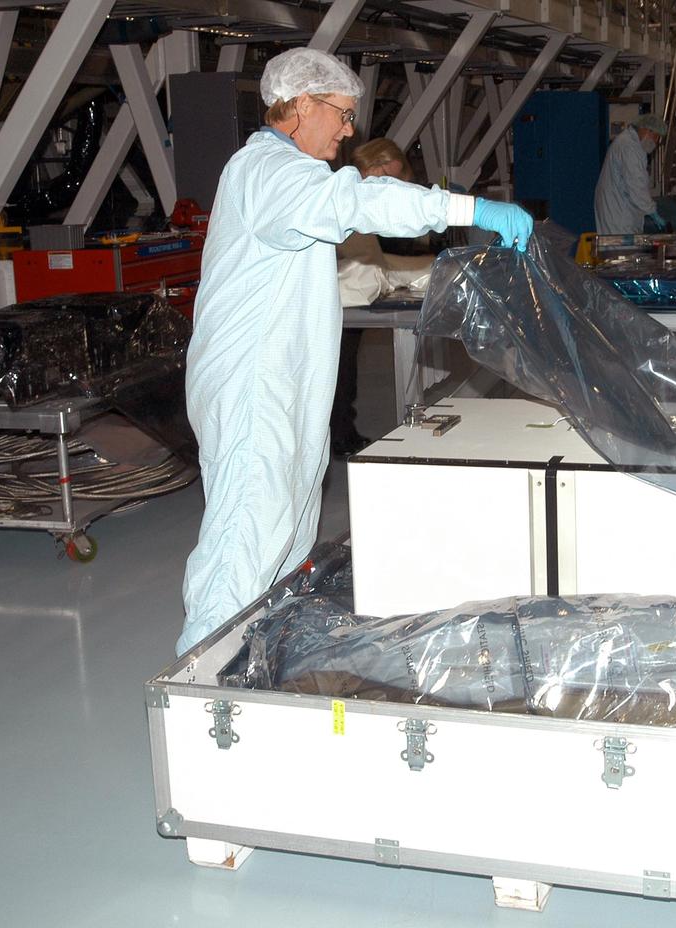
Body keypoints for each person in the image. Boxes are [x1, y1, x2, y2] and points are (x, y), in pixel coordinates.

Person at [178, 48, 533, 654]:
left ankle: (256, 655)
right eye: (341, 114)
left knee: (286, 535)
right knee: (245, 538)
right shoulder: (268, 172)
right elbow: (359, 201)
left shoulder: (292, 175)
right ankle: (201, 676)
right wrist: (467, 208)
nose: (348, 130)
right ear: (301, 106)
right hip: (251, 388)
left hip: (282, 381)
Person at [330, 138, 417, 456]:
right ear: (373, 165)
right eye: (387, 178)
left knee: (344, 372)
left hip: (348, 303)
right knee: (338, 374)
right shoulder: (344, 195)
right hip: (337, 304)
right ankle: (339, 436)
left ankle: (342, 432)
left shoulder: (355, 199)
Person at [594, 113, 667, 234]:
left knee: (623, 249)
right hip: (617, 213)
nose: (656, 142)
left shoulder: (633, 145)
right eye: (656, 137)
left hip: (619, 208)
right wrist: (651, 211)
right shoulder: (628, 147)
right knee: (620, 250)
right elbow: (636, 184)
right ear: (647, 130)